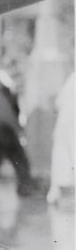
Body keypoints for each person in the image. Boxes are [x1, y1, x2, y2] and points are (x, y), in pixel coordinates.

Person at [0, 70, 38, 204]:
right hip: (4, 129)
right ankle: (24, 188)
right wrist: (17, 129)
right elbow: (6, 113)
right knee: (19, 159)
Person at [47, 70, 74, 205]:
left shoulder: (70, 80)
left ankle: (57, 193)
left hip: (64, 125)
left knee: (62, 160)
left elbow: (57, 103)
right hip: (70, 125)